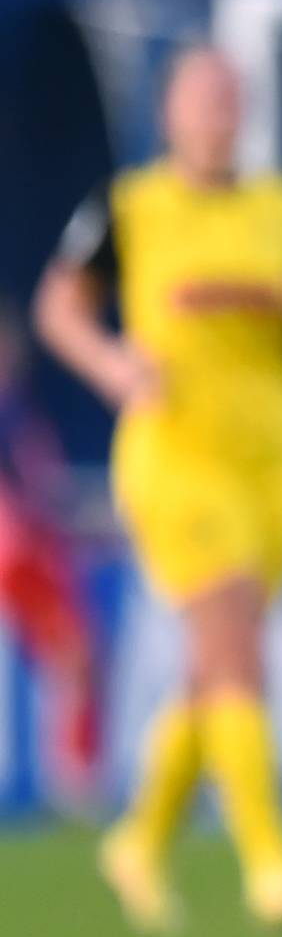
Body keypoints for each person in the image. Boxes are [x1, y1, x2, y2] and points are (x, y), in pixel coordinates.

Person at [33, 44, 282, 934]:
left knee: (214, 666)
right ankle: (270, 863)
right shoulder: (128, 207)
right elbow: (58, 306)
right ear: (169, 112)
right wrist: (108, 363)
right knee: (232, 638)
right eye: (199, 98)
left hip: (274, 462)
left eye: (228, 99)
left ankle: (137, 840)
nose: (215, 113)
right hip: (176, 457)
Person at [0, 317, 101, 819]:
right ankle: (74, 783)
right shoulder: (9, 415)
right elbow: (30, 494)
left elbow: (44, 489)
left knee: (72, 661)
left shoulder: (19, 412)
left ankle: (73, 779)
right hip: (18, 551)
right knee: (74, 658)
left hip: (27, 549)